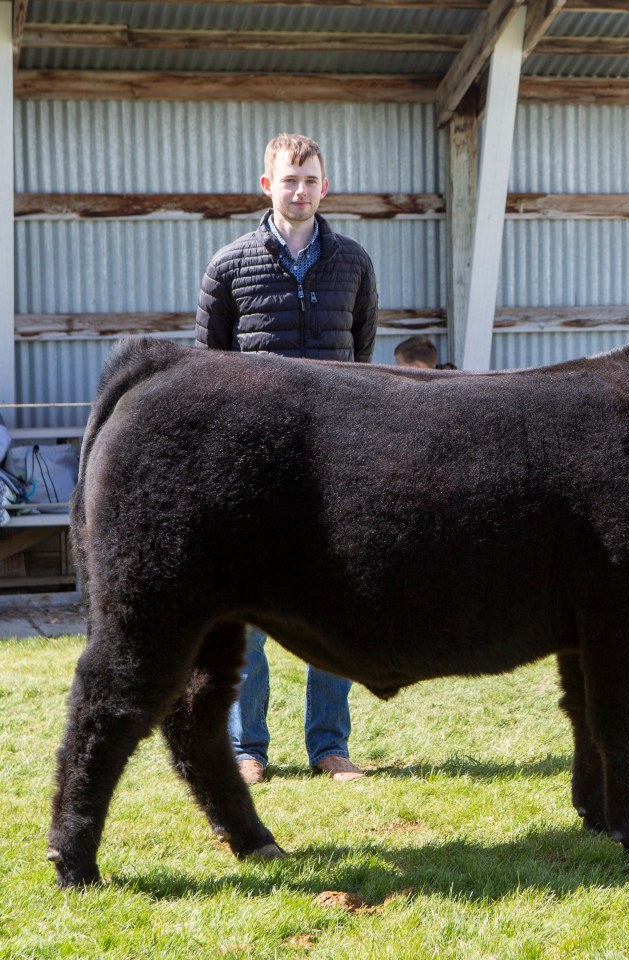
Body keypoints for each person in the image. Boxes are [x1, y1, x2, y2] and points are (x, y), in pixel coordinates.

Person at [196, 132, 378, 784]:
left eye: (309, 180)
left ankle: (330, 745)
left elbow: (361, 354)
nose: (299, 191)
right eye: (288, 180)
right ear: (266, 185)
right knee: (247, 612)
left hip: (334, 462)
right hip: (255, 465)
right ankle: (246, 749)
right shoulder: (229, 266)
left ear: (324, 187)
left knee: (333, 607)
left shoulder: (353, 263)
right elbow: (210, 369)